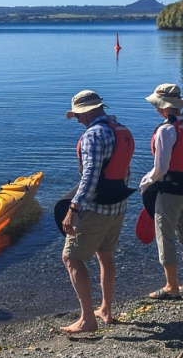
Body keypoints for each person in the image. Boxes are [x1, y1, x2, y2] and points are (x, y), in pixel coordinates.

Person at [61, 90, 136, 333]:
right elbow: (124, 172)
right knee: (105, 255)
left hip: (95, 209)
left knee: (71, 258)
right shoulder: (120, 129)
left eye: (79, 116)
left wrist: (73, 208)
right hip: (118, 206)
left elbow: (90, 178)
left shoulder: (93, 135)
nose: (78, 121)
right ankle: (105, 310)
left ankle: (87, 320)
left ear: (88, 111)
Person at [140, 84, 183, 300]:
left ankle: (171, 286)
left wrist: (146, 183)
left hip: (170, 192)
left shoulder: (165, 130)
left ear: (162, 108)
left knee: (166, 238)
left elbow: (161, 168)